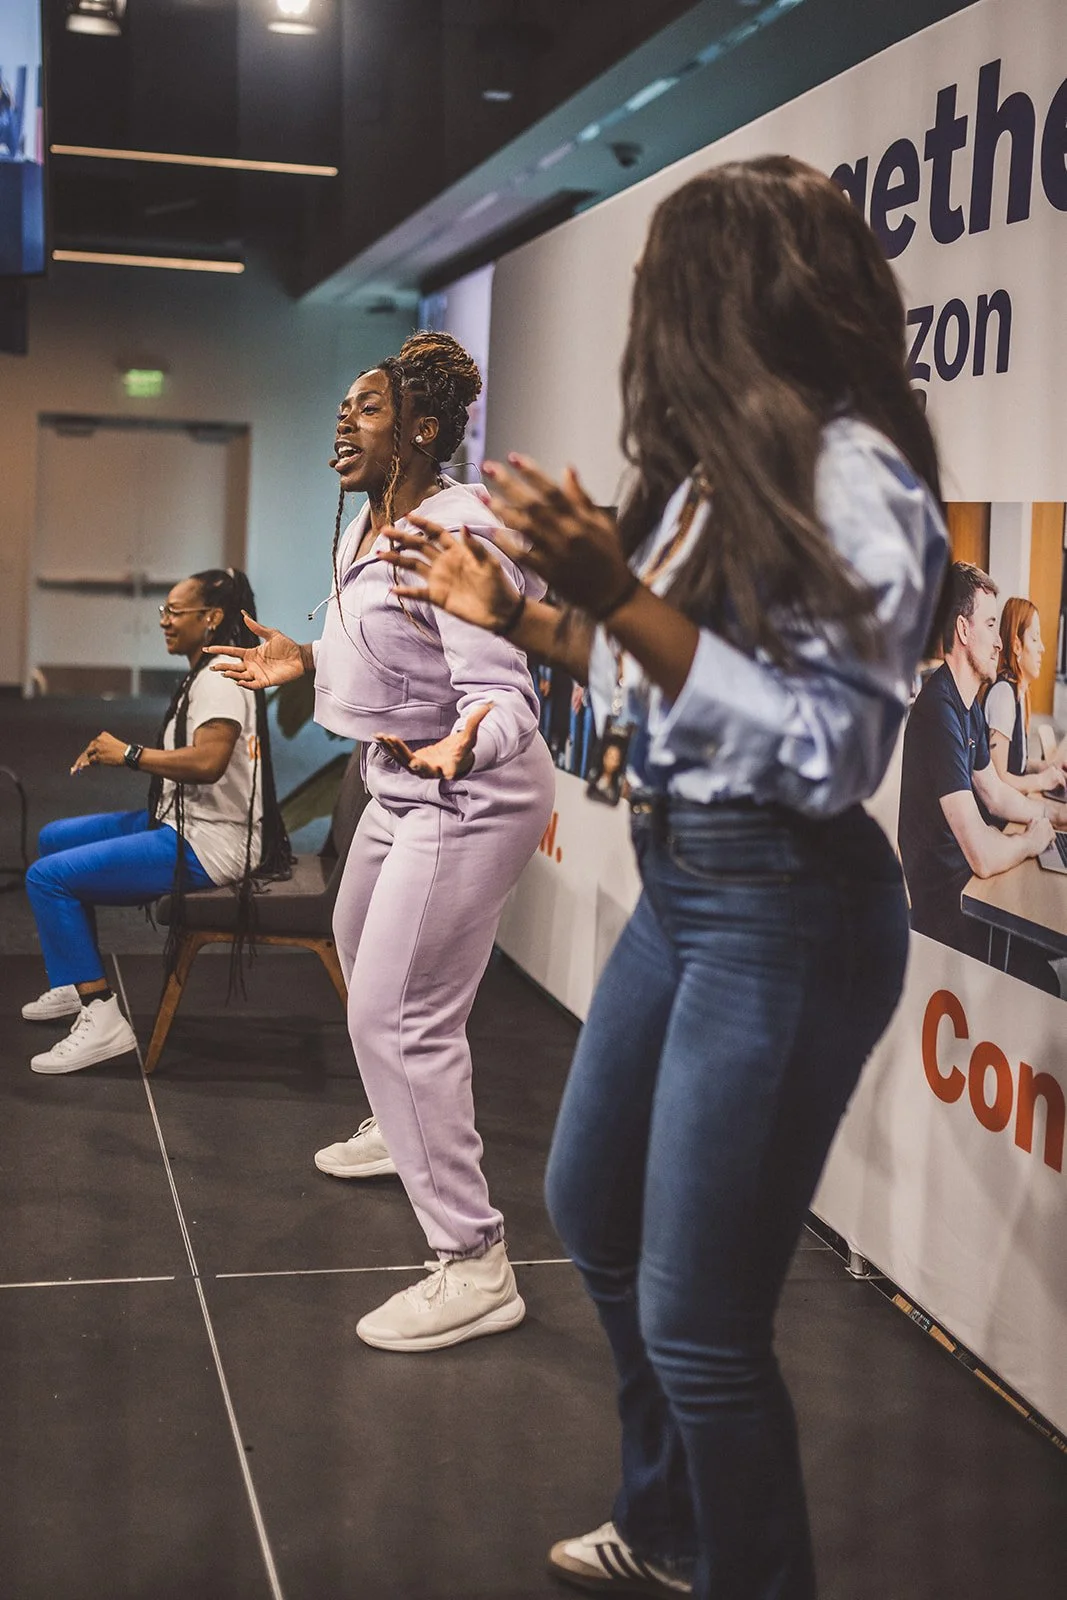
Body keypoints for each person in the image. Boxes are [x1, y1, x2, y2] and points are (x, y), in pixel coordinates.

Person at [387, 156, 949, 1600]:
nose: (648, 314)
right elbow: (669, 686)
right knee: (588, 1206)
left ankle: (735, 1563)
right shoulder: (715, 474)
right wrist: (525, 614)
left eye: (661, 285)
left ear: (731, 298)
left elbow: (824, 749)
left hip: (786, 904)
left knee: (704, 1318)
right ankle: (669, 1522)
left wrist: (617, 595)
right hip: (689, 883)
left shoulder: (855, 478)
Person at [210, 331, 554, 1352]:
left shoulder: (455, 536)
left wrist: (460, 746)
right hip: (396, 782)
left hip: (467, 788)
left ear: (422, 429)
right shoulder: (370, 522)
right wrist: (304, 656)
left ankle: (473, 1260)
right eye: (344, 407)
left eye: (364, 408)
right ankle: (396, 1127)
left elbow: (508, 700)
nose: (342, 423)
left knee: (396, 1018)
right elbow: (386, 639)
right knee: (362, 956)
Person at [22, 568, 290, 1074]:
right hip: (185, 820)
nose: (164, 621)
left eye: (174, 612)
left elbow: (208, 763)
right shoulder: (208, 670)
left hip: (212, 843)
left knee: (47, 877)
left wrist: (128, 754)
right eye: (162, 611)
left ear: (210, 619)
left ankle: (101, 1015)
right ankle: (72, 982)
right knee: (52, 838)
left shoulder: (218, 679)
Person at [899, 563, 1066, 993]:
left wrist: (1048, 815)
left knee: (1046, 959)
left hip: (968, 891)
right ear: (962, 629)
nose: (998, 641)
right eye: (991, 625)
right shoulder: (939, 710)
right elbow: (982, 856)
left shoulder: (968, 703)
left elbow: (993, 792)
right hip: (947, 909)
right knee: (1045, 978)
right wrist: (1030, 841)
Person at [983, 596, 1066, 794]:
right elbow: (999, 779)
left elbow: (1015, 764)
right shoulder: (1003, 694)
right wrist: (1040, 781)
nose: (1042, 648)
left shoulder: (1018, 692)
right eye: (1035, 638)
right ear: (1017, 645)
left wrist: (1041, 768)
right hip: (999, 822)